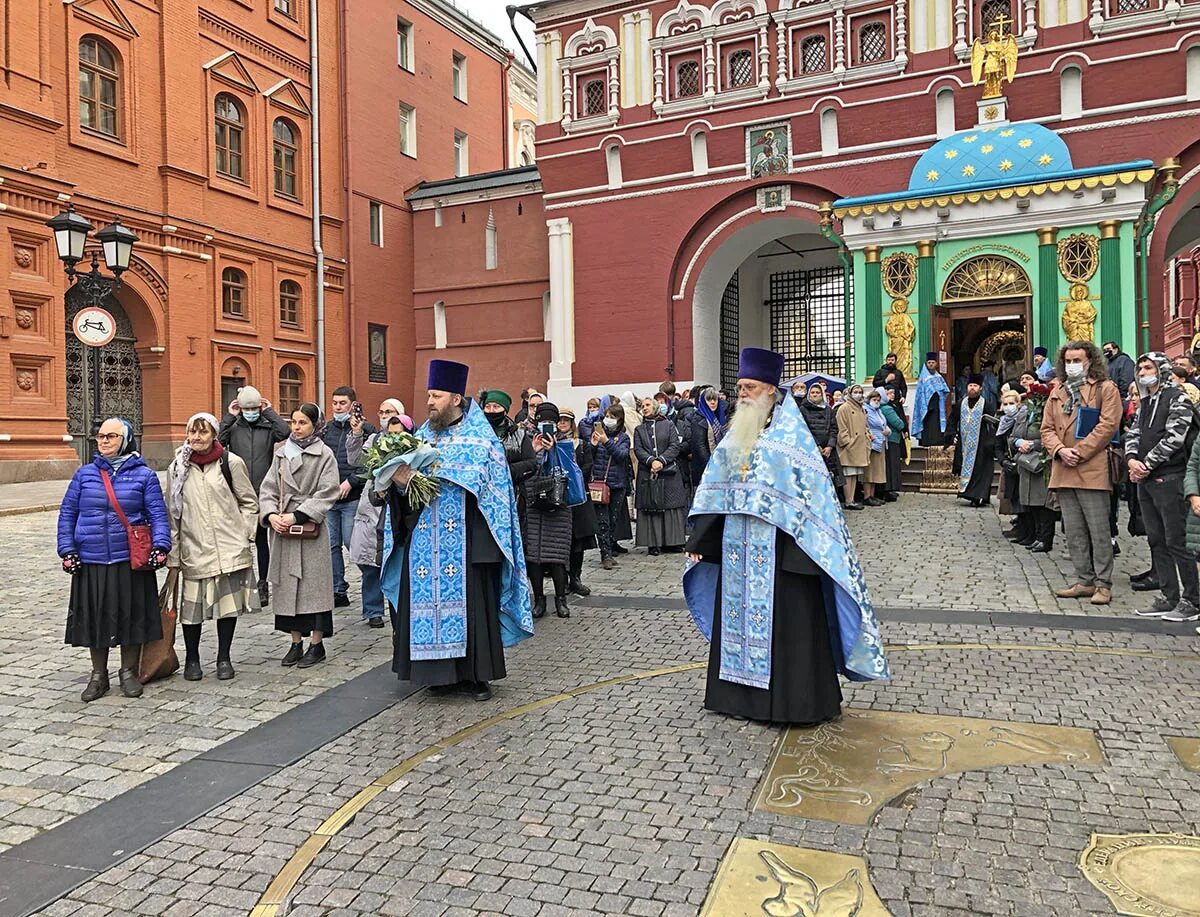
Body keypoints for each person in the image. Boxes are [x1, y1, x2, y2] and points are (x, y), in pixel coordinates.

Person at [683, 347, 889, 725]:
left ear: (770, 391)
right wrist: (699, 543)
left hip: (783, 554)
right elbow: (719, 493)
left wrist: (803, 546)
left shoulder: (793, 441)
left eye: (750, 387)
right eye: (740, 387)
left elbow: (813, 501)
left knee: (788, 629)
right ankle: (738, 699)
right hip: (736, 554)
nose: (742, 393)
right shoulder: (734, 438)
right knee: (737, 625)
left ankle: (791, 706)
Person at [379, 360, 534, 701]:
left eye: (436, 396)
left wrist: (434, 477)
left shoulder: (481, 440)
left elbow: (495, 491)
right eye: (428, 395)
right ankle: (436, 675)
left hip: (468, 539)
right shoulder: (419, 439)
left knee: (474, 605)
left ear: (456, 399)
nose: (429, 402)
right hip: (423, 541)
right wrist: (398, 482)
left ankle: (476, 677)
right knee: (424, 601)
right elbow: (403, 491)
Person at [58, 418, 170, 702]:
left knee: (130, 615)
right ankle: (98, 676)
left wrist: (161, 546)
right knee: (97, 617)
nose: (104, 441)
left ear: (125, 439)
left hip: (129, 558)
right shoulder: (84, 475)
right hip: (92, 558)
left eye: (111, 436)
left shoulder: (144, 476)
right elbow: (68, 514)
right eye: (100, 437)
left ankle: (128, 672)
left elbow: (158, 515)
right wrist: (67, 549)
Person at [166, 413, 258, 680]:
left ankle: (223, 657)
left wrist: (245, 535)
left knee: (226, 608)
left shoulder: (231, 463)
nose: (196, 438)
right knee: (191, 611)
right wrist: (174, 552)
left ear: (214, 434)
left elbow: (249, 502)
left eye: (202, 432)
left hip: (228, 547)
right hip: (194, 547)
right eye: (192, 432)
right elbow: (172, 512)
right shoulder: (177, 468)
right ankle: (192, 659)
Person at [1041, 341, 1122, 605]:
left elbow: (1108, 425)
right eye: (1068, 361)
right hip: (1064, 467)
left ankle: (1103, 583)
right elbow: (1047, 429)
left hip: (1092, 467)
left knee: (1098, 530)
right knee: (1073, 531)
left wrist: (1081, 452)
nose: (1072, 365)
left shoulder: (1105, 389)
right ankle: (1084, 580)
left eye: (1078, 360)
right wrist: (1060, 450)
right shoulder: (1058, 391)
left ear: (1090, 361)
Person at [260, 403, 341, 667]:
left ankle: (316, 644)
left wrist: (299, 514)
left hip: (310, 530)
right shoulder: (282, 453)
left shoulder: (325, 454)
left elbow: (328, 491)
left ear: (315, 424)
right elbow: (268, 488)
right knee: (287, 589)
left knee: (314, 588)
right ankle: (295, 642)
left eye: (303, 422)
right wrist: (271, 515)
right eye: (294, 422)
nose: (296, 427)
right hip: (283, 528)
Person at [1126, 352, 1200, 622]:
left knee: (1176, 540)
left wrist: (1146, 463)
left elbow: (1175, 438)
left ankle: (1192, 598)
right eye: (1142, 367)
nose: (1145, 371)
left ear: (1163, 369)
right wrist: (1132, 460)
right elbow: (1133, 432)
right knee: (1156, 539)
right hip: (1145, 479)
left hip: (1170, 477)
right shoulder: (1146, 401)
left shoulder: (1178, 398)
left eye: (1149, 367)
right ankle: (1169, 596)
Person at [218, 384, 289, 607]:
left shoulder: (267, 427)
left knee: (261, 542)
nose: (250, 412)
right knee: (237, 540)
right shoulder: (234, 427)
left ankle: (262, 584)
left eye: (254, 408)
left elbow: (284, 432)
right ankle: (238, 583)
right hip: (237, 493)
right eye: (246, 408)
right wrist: (229, 417)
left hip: (261, 491)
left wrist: (269, 411)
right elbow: (218, 441)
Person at [346, 399, 411, 629]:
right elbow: (356, 462)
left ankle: (399, 604)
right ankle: (373, 610)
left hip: (396, 506)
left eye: (389, 412)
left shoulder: (410, 441)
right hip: (372, 505)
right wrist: (355, 435)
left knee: (392, 558)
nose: (384, 416)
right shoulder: (373, 439)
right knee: (370, 561)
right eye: (382, 412)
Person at [522, 403, 578, 619]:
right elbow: (524, 469)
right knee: (534, 555)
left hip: (559, 503)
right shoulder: (528, 440)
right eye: (544, 421)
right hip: (534, 502)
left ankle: (561, 599)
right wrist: (536, 453)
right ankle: (538, 599)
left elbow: (572, 471)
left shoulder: (565, 442)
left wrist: (554, 450)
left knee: (557, 555)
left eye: (551, 422)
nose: (548, 426)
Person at [323, 386, 376, 609]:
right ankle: (338, 590)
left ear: (353, 404)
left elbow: (369, 463)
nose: (338, 407)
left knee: (352, 544)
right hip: (330, 498)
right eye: (335, 403)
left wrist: (350, 482)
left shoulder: (367, 429)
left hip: (352, 497)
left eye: (342, 403)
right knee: (331, 546)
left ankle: (371, 593)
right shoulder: (326, 429)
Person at [634, 396, 688, 555]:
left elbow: (674, 445)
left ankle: (673, 542)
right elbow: (638, 449)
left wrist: (662, 461)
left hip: (669, 472)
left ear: (655, 406)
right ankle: (653, 543)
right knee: (652, 507)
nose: (644, 408)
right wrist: (651, 461)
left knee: (670, 506)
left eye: (648, 405)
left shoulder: (669, 425)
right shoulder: (639, 429)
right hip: (648, 472)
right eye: (642, 406)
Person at [1012, 381, 1058, 552]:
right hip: (1025, 464)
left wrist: (1032, 444)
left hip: (1040, 463)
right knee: (1029, 502)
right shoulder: (1023, 414)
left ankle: (1045, 538)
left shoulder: (1047, 414)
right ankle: (1033, 535)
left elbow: (1051, 436)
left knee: (1043, 503)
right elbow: (1012, 436)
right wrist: (1018, 442)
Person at [558, 408, 597, 597]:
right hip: (561, 497)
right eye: (560, 420)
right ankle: (563, 578)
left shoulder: (581, 445)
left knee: (578, 541)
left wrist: (575, 476)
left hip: (579, 497)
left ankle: (576, 577)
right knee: (562, 541)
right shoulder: (554, 443)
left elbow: (588, 466)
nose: (563, 423)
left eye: (566, 420)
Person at [591, 404, 632, 571]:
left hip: (618, 484)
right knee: (603, 522)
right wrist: (593, 445)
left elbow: (621, 455)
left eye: (612, 417)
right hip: (600, 484)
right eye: (607, 415)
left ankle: (610, 546)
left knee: (613, 520)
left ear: (619, 420)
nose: (608, 419)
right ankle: (605, 554)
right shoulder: (598, 434)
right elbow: (589, 457)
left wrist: (606, 442)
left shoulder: (623, 438)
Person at [948, 373, 998, 507]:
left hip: (981, 443)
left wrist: (991, 441)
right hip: (964, 444)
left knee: (981, 470)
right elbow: (952, 420)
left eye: (975, 386)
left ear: (980, 388)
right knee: (967, 467)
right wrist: (952, 435)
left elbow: (993, 423)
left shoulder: (985, 404)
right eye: (970, 385)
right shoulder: (961, 404)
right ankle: (969, 494)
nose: (972, 388)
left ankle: (979, 496)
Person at [800, 383, 843, 493]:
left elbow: (834, 429)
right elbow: (804, 429)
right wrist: (817, 446)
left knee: (831, 478)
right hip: (811, 449)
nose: (815, 395)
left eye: (818, 392)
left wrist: (830, 446)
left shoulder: (828, 409)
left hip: (829, 450)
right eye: (813, 392)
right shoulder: (803, 409)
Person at [835, 383, 870, 510]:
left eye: (860, 391)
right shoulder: (844, 408)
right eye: (855, 391)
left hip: (859, 446)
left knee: (854, 475)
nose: (858, 394)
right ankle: (848, 500)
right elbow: (841, 427)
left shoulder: (861, 408)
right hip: (849, 446)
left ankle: (852, 499)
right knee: (848, 474)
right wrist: (847, 441)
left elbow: (864, 425)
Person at [912, 353, 951, 446]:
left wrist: (940, 396)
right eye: (929, 362)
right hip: (928, 407)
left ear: (936, 364)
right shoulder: (924, 377)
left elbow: (945, 390)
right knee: (929, 425)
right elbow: (921, 394)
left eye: (933, 362)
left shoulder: (939, 377)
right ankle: (928, 441)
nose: (931, 364)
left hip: (938, 405)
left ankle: (938, 440)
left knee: (937, 424)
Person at [691, 386, 727, 485]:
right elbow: (700, 445)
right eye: (709, 399)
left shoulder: (720, 417)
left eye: (714, 399)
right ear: (703, 401)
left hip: (720, 464)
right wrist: (711, 464)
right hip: (705, 466)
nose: (712, 402)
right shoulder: (698, 418)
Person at [880, 386, 906, 501]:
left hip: (890, 439)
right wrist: (902, 425)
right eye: (889, 393)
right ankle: (889, 489)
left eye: (893, 393)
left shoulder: (888, 406)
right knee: (892, 465)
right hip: (892, 439)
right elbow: (899, 423)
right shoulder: (887, 408)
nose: (892, 395)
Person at [864, 389, 888, 507]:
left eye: (878, 400)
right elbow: (871, 424)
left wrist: (887, 430)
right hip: (872, 442)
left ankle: (872, 495)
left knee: (876, 471)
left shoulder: (878, 411)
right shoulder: (867, 410)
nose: (876, 402)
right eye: (874, 400)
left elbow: (884, 423)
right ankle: (867, 495)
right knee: (869, 471)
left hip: (880, 442)